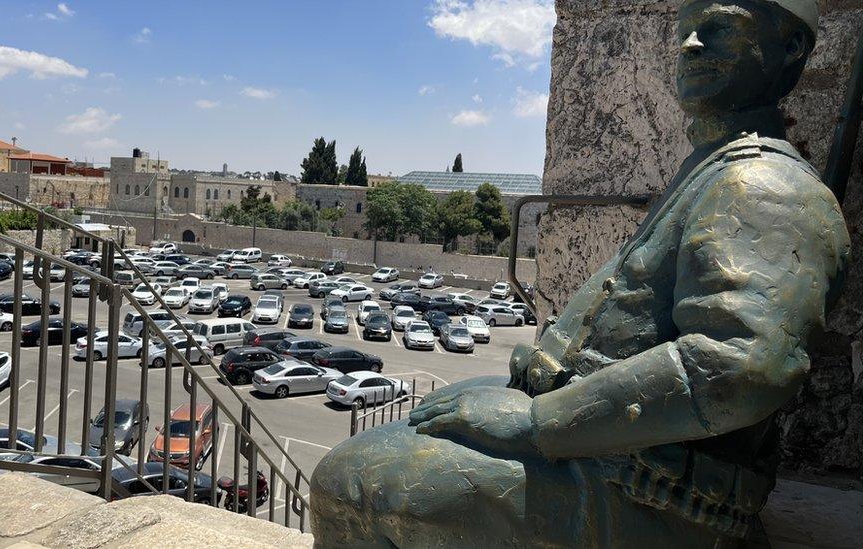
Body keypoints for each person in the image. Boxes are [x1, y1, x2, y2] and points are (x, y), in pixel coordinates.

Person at [309, 1, 851, 547]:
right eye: (686, 29)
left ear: (791, 46)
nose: (689, 45)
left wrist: (537, 422)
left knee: (349, 481)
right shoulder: (718, 166)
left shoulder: (763, 185)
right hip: (626, 450)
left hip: (655, 488)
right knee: (435, 410)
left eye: (719, 27)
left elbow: (742, 365)